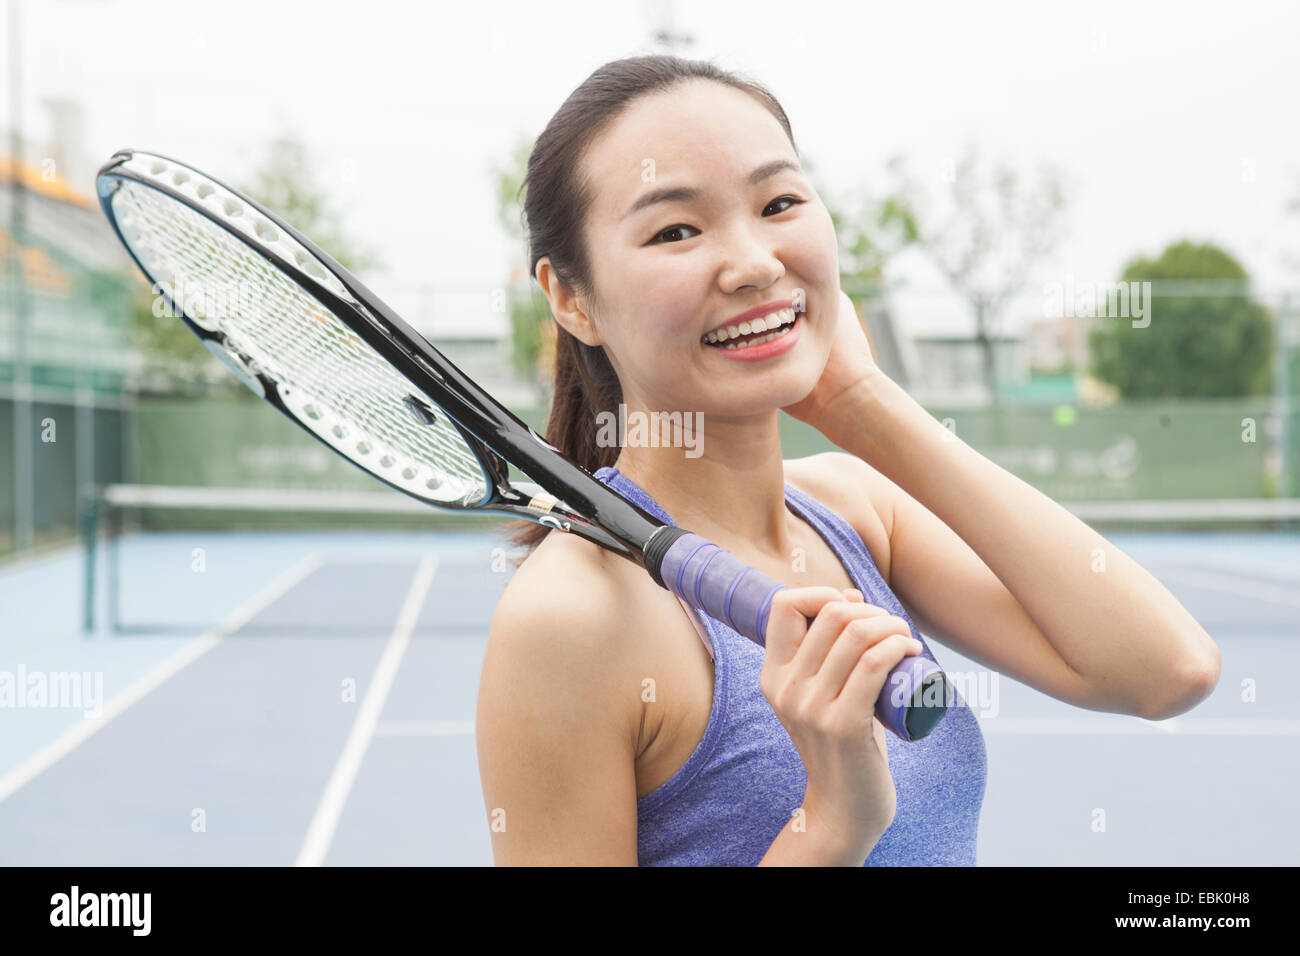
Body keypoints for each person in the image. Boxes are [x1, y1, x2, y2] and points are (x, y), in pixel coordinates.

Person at [475, 54, 1221, 866]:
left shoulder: (857, 512)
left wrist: (865, 403)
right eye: (676, 230)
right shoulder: (571, 620)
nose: (756, 262)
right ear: (570, 297)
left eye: (780, 202)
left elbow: (1167, 669)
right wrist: (829, 824)